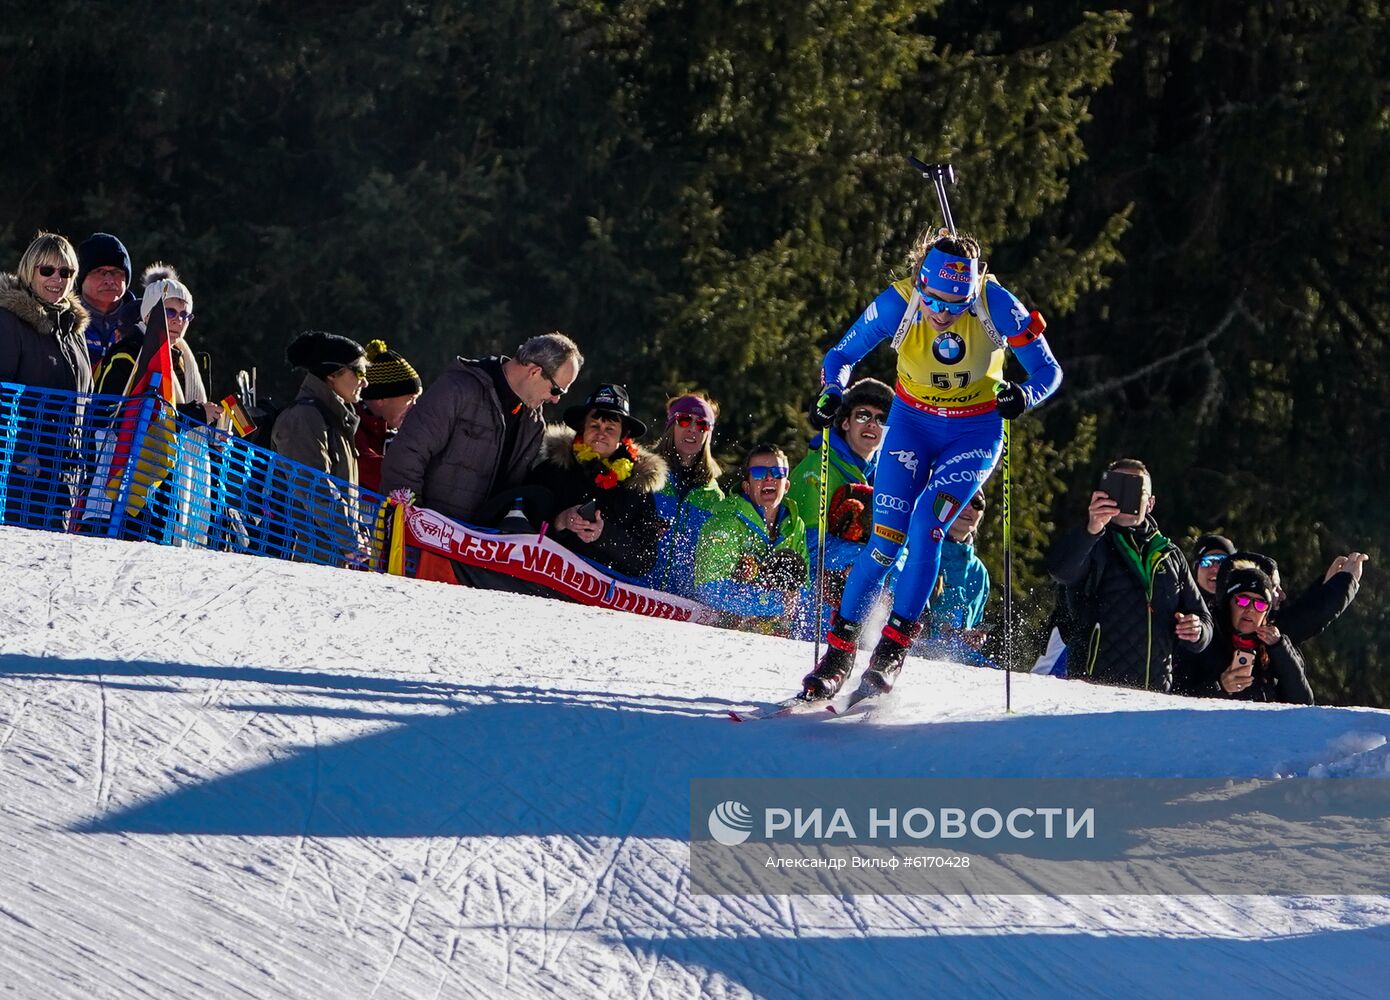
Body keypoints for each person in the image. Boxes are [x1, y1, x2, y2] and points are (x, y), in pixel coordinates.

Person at [803, 228, 1063, 699]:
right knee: (883, 541)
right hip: (912, 426)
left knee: (927, 525)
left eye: (955, 305)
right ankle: (838, 655)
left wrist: (1021, 395)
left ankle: (891, 651)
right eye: (935, 301)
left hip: (974, 432)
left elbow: (1050, 370)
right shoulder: (895, 304)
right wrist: (832, 391)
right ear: (920, 284)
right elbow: (841, 355)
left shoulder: (996, 305)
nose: (942, 315)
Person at [1047, 459, 1212, 692]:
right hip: (1093, 691)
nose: (1126, 496)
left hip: (1155, 694)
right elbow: (1060, 572)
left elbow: (1203, 618)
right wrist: (1092, 527)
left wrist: (1197, 631)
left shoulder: (1168, 553)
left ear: (1151, 503)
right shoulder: (1092, 541)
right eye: (1117, 488)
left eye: (1136, 489)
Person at [380, 332, 581, 523]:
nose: (555, 400)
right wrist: (416, 522)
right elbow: (405, 456)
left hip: (474, 549)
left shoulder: (533, 425)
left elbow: (515, 493)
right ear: (534, 372)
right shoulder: (458, 389)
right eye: (556, 390)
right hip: (425, 540)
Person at [0, 232, 93, 529]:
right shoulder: (10, 322)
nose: (57, 279)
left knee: (52, 567)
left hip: (65, 470)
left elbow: (86, 399)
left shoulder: (73, 332)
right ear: (30, 270)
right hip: (22, 472)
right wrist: (22, 452)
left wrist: (85, 458)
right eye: (47, 270)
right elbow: (3, 394)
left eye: (66, 272)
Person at [527, 383, 666, 579]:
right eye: (594, 425)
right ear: (582, 427)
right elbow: (522, 522)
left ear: (623, 435)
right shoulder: (553, 467)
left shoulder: (639, 485)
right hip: (544, 580)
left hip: (600, 598)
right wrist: (560, 521)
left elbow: (645, 560)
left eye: (610, 428)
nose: (601, 433)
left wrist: (604, 535)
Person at [787, 377, 893, 606]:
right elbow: (809, 545)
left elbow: (899, 545)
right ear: (845, 422)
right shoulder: (818, 468)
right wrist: (872, 559)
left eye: (881, 418)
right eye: (863, 415)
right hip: (810, 604)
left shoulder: (889, 477)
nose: (872, 424)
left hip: (859, 602)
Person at [695, 444, 811, 636]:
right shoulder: (726, 521)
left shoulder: (795, 525)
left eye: (778, 472)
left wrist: (791, 601)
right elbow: (710, 588)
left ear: (787, 485)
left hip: (776, 636)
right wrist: (774, 602)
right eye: (758, 472)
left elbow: (803, 588)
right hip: (724, 633)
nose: (769, 478)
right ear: (746, 486)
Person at [273, 331, 369, 563]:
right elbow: (314, 486)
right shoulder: (304, 417)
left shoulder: (336, 417)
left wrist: (357, 533)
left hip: (329, 557)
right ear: (332, 374)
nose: (365, 381)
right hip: (303, 559)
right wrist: (349, 538)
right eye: (359, 371)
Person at [1174, 565, 1314, 704]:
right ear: (1228, 603)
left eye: (1260, 605)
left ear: (1266, 613)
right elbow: (1176, 699)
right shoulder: (1204, 641)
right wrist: (1220, 687)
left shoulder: (1276, 646)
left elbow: (1303, 705)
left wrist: (1279, 649)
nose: (1250, 609)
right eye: (1243, 600)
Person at [640, 392, 725, 597]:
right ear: (671, 425)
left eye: (702, 425)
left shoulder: (715, 498)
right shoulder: (644, 473)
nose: (693, 429)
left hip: (682, 605)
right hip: (637, 590)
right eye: (685, 420)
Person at [916, 490, 993, 666]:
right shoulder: (920, 550)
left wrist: (972, 638)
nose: (968, 508)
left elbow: (970, 626)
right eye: (961, 499)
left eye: (977, 503)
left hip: (955, 665)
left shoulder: (979, 572)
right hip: (915, 656)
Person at [354, 339, 422, 493]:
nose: (415, 407)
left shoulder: (395, 432)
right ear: (381, 399)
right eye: (410, 399)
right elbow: (367, 465)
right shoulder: (352, 425)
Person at [73, 233, 137, 370]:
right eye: (99, 271)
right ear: (81, 278)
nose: (109, 280)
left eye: (116, 272)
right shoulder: (63, 320)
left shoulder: (143, 322)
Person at [1190, 533, 1236, 613]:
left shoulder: (1246, 606)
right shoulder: (1181, 604)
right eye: (1206, 561)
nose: (1215, 569)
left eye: (1223, 561)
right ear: (1196, 570)